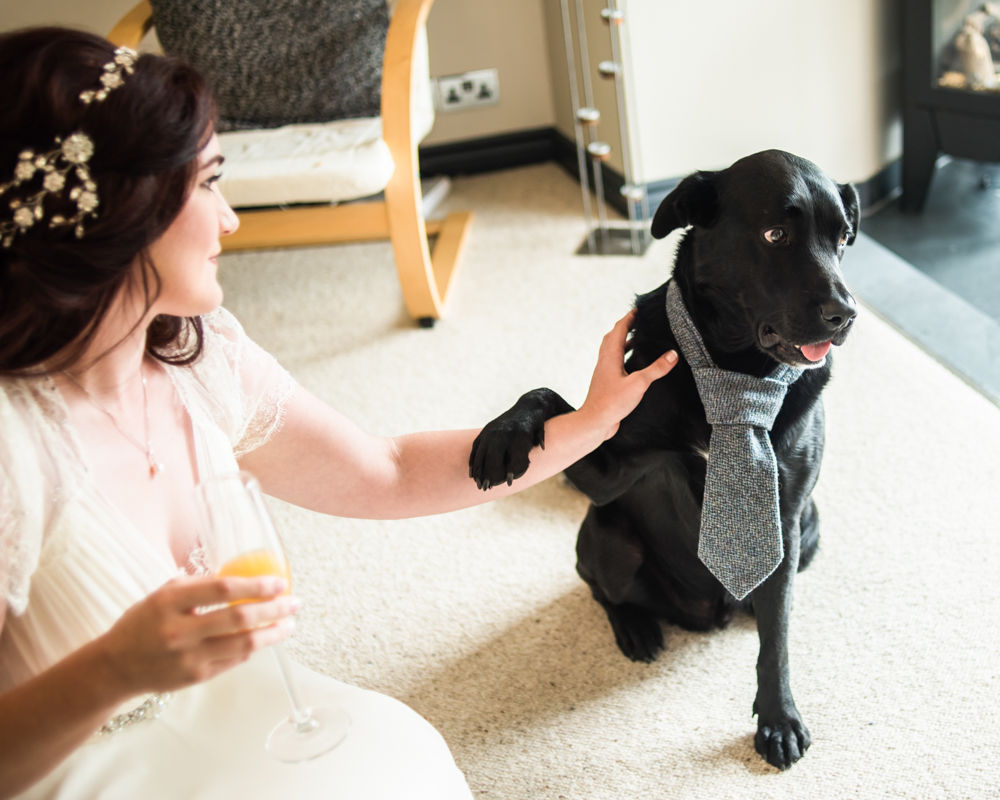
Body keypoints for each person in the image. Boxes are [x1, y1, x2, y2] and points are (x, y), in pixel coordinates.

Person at [0, 27, 678, 800]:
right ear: (120, 212)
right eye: (208, 184)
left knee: (410, 761)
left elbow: (384, 471)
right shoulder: (14, 446)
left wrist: (590, 425)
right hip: (80, 772)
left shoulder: (199, 357)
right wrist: (114, 671)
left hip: (256, 715)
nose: (230, 221)